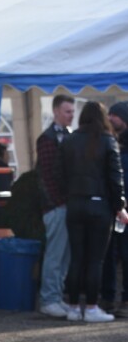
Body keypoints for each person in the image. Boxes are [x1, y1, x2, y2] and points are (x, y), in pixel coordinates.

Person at [55, 101, 128, 322]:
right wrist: (120, 207)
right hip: (100, 206)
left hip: (75, 205)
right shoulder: (108, 141)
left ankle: (74, 307)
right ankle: (93, 307)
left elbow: (60, 175)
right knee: (96, 260)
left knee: (77, 258)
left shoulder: (69, 141)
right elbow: (116, 178)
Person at [36, 93, 75, 317]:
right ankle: (50, 298)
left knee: (64, 255)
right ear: (56, 112)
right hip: (56, 206)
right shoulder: (48, 138)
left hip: (64, 204)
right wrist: (57, 203)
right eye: (68, 111)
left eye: (72, 112)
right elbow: (46, 176)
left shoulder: (67, 136)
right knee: (55, 254)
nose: (71, 116)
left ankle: (56, 297)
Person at [100, 101, 128, 316]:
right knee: (109, 254)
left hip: (122, 208)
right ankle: (108, 299)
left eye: (114, 115)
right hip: (112, 207)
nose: (110, 118)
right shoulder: (108, 142)